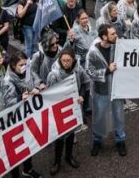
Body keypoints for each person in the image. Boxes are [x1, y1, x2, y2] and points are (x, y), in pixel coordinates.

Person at [0, 51, 43, 178]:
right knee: (15, 148)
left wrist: (38, 87)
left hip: (27, 115)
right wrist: (20, 98)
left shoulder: (27, 70)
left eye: (26, 64)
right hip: (13, 120)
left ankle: (27, 169)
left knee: (28, 142)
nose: (25, 67)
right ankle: (15, 174)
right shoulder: (7, 81)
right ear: (13, 66)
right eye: (21, 65)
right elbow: (8, 104)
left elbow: (36, 79)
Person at [85, 23, 126, 157]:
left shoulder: (119, 47)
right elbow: (89, 72)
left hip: (116, 89)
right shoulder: (93, 52)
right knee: (99, 116)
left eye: (115, 33)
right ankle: (97, 141)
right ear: (104, 37)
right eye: (112, 34)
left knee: (119, 115)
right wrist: (107, 70)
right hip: (100, 90)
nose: (116, 35)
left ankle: (120, 140)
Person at [46, 47, 88, 175]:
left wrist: (82, 96)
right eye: (63, 60)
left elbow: (86, 84)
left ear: (73, 60)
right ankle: (57, 161)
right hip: (59, 108)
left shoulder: (78, 69)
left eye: (68, 60)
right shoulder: (54, 74)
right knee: (60, 137)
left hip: (73, 107)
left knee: (71, 134)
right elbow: (49, 93)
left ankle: (68, 157)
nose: (65, 63)